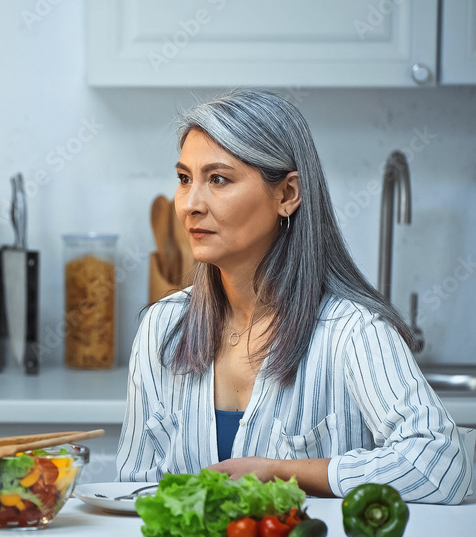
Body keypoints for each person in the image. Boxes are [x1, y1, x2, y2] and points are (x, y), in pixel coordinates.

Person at [115, 90, 471, 504]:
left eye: (218, 179)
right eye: (184, 179)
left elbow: (441, 465)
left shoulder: (352, 332)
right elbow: (132, 490)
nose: (190, 205)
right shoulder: (163, 327)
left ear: (286, 195)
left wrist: (282, 473)